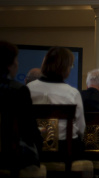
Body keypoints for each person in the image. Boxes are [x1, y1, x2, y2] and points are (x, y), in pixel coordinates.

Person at [27, 46, 85, 153]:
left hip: (34, 150)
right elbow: (81, 129)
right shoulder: (72, 93)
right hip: (65, 151)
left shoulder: (28, 89)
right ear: (65, 68)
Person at [0, 41, 42, 171]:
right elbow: (29, 131)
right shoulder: (18, 91)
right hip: (10, 159)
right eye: (16, 60)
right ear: (10, 64)